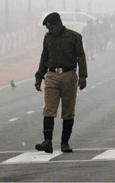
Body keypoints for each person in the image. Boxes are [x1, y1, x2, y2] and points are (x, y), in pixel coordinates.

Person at [34, 12, 88, 153]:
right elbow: (44, 57)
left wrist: (83, 76)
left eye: (51, 28)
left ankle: (65, 142)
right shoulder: (48, 38)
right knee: (49, 109)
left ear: (59, 24)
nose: (50, 31)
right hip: (51, 75)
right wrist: (39, 76)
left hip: (69, 75)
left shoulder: (74, 37)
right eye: (48, 28)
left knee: (68, 111)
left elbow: (81, 56)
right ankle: (47, 141)